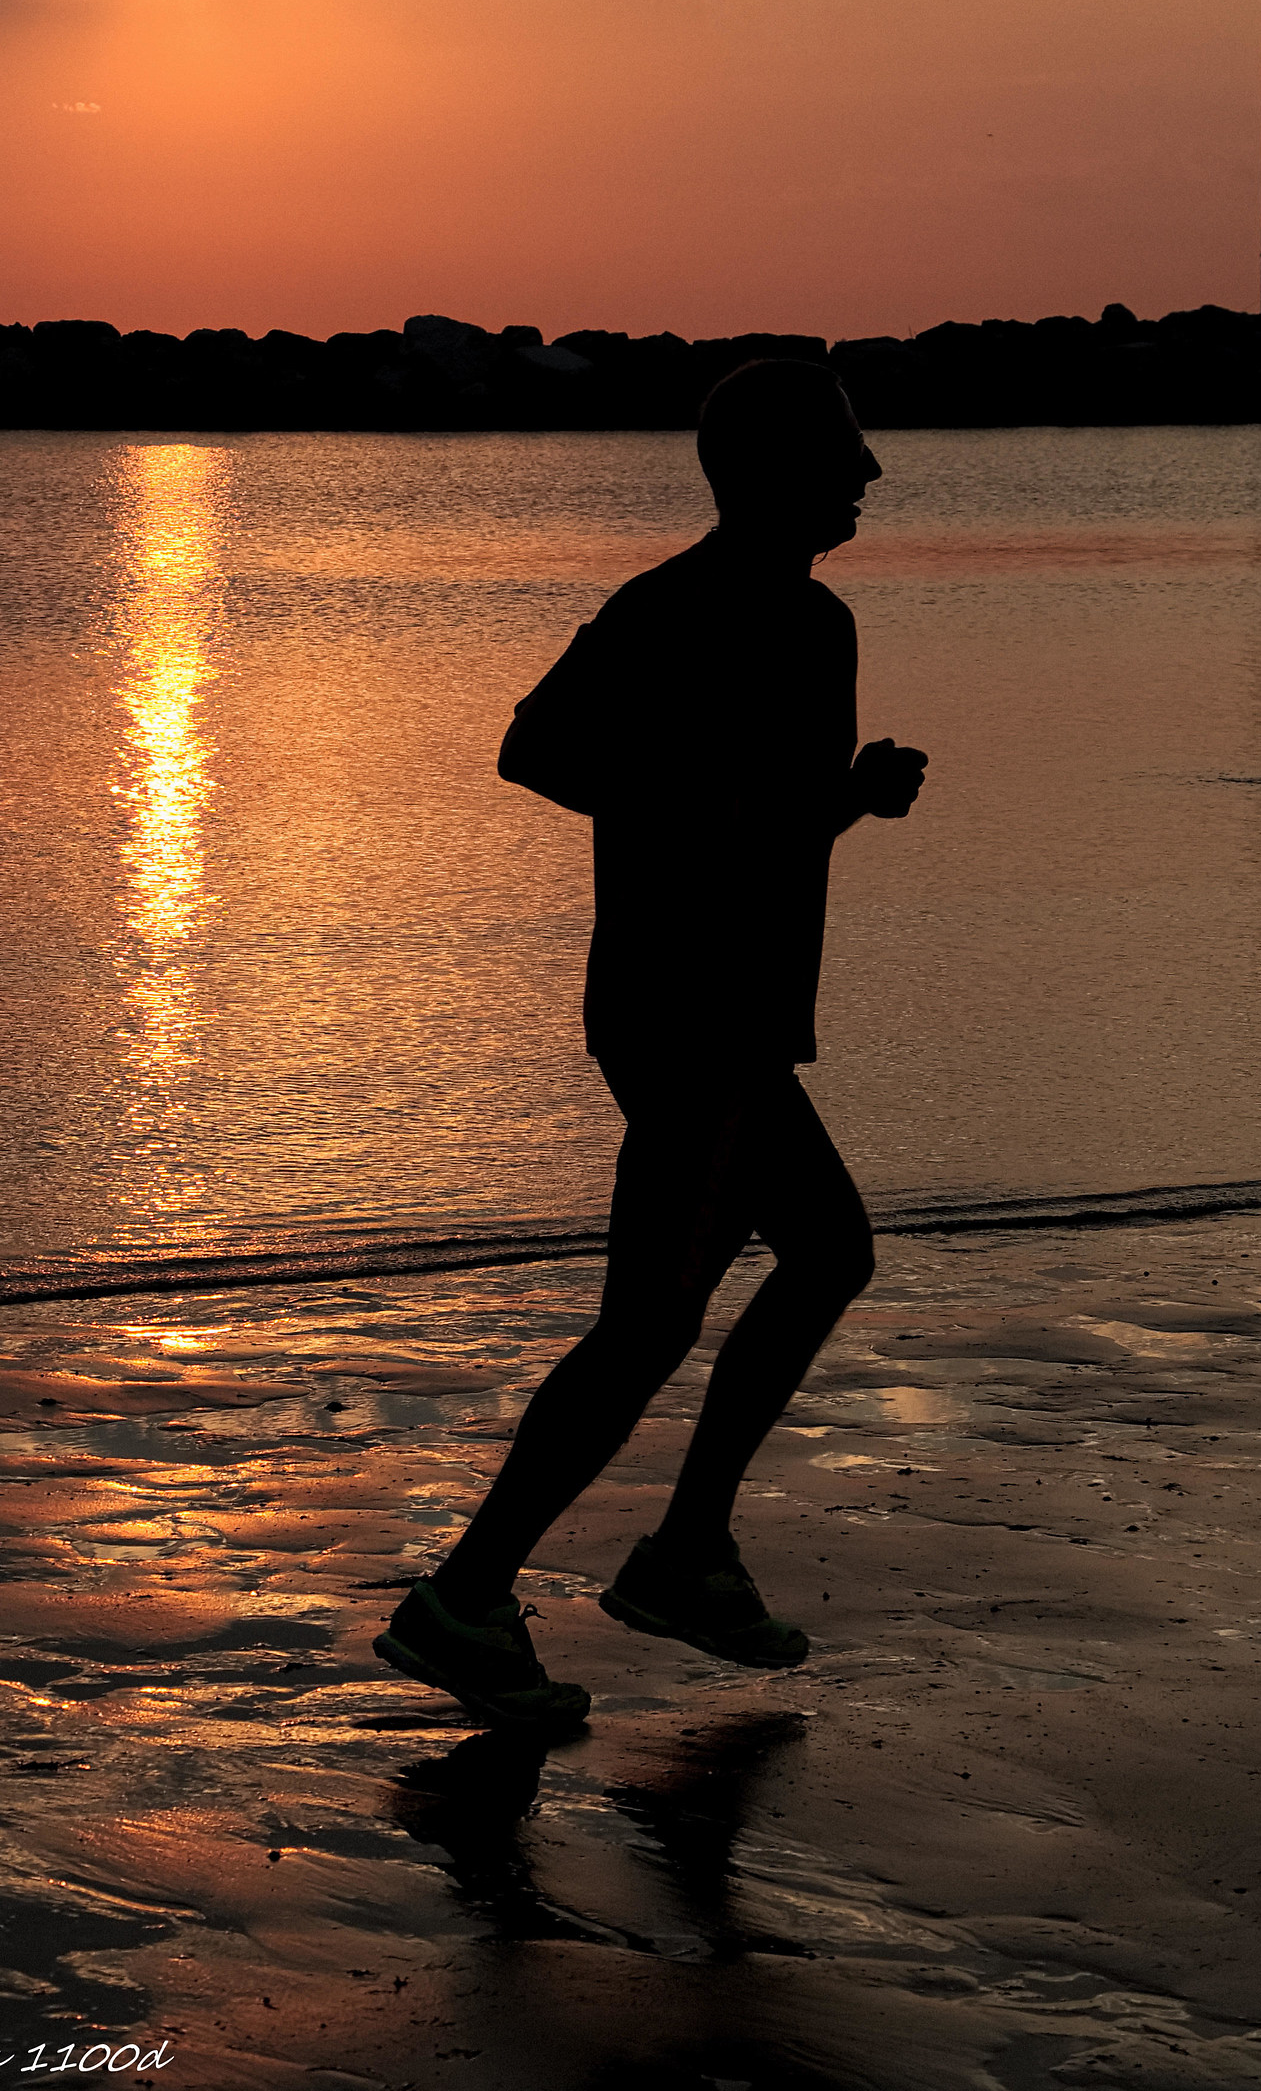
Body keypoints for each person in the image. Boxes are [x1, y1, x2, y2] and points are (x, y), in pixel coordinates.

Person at [375, 360, 928, 1734]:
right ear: (770, 472)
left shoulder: (820, 625)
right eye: (845, 455)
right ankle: (475, 1595)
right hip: (681, 1013)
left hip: (742, 1015)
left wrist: (848, 805)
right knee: (648, 1327)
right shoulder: (670, 609)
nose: (868, 478)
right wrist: (702, 797)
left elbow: (778, 824)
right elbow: (535, 748)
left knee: (824, 1255)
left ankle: (679, 1552)